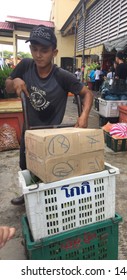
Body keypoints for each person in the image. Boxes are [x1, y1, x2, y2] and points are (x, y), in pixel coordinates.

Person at [5, 25, 93, 206]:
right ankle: (28, 194)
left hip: (53, 133)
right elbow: (7, 86)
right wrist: (14, 80)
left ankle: (50, 200)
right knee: (25, 164)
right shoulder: (25, 66)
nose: (38, 55)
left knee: (53, 168)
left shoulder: (62, 76)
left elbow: (87, 93)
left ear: (54, 52)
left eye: (44, 50)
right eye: (34, 49)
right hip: (30, 129)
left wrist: (83, 115)